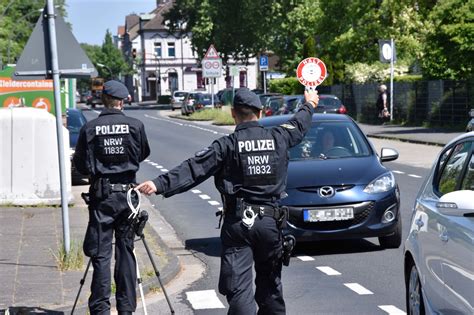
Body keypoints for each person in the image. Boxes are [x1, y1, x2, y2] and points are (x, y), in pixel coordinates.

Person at [136, 88, 319, 314]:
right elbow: (299, 125)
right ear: (260, 113)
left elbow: (194, 169)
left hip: (239, 223)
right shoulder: (278, 137)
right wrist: (309, 104)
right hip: (271, 223)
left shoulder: (227, 145)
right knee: (270, 285)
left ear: (233, 114)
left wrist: (159, 184)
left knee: (239, 288)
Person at [73, 80, 150, 315]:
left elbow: (81, 165)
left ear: (103, 98)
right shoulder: (135, 125)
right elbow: (143, 153)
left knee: (101, 254)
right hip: (128, 197)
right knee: (126, 251)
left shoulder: (91, 128)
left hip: (102, 197)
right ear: (122, 101)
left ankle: (100, 310)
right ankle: (126, 309)